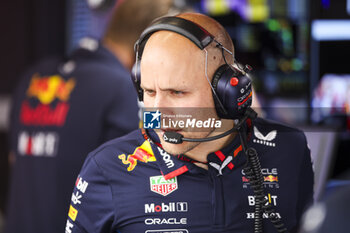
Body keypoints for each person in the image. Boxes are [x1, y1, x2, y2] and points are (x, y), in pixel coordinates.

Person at [65, 13, 314, 233]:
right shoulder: (106, 167)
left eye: (177, 93)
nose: (159, 112)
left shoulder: (289, 149)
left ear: (227, 91)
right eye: (150, 92)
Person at [4, 0, 175, 233]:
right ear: (149, 42)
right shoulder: (120, 89)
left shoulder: (32, 77)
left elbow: (14, 159)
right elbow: (138, 184)